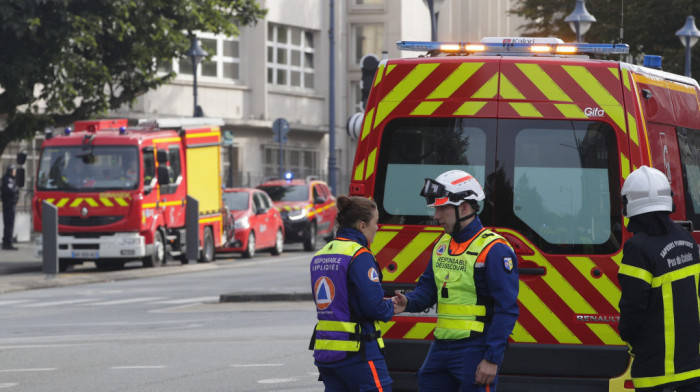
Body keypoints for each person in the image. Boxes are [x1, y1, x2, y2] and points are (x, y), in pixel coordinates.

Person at [392, 170, 519, 392]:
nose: (437, 215)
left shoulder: (494, 249)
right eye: (436, 208)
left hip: (475, 349)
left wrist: (492, 358)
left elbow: (506, 309)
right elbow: (428, 289)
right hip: (441, 348)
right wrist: (408, 302)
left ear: (464, 208)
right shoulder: (442, 245)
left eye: (443, 208)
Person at [617, 166, 700, 392]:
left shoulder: (638, 248)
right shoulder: (687, 240)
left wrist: (628, 335)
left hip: (657, 369)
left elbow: (633, 306)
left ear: (628, 205)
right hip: (691, 365)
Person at [309, 195, 394, 391]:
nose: (378, 227)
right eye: (376, 221)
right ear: (362, 225)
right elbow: (374, 308)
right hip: (359, 353)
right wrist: (391, 306)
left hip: (327, 352)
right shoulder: (359, 255)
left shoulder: (322, 254)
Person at [1, 165, 20, 250]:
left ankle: (8, 241)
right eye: (13, 170)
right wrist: (16, 187)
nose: (15, 172)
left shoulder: (10, 179)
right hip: (9, 205)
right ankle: (8, 243)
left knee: (9, 224)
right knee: (9, 224)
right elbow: (11, 190)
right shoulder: (8, 179)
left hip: (10, 204)